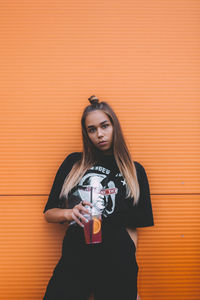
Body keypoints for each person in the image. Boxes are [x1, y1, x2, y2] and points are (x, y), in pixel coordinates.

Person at [42, 95, 154, 300]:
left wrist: (129, 279)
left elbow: (132, 228)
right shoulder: (74, 163)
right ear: (86, 134)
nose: (99, 134)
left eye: (104, 126)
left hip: (117, 261)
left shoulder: (134, 171)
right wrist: (69, 212)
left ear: (114, 127)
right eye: (92, 129)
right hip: (75, 259)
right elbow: (49, 213)